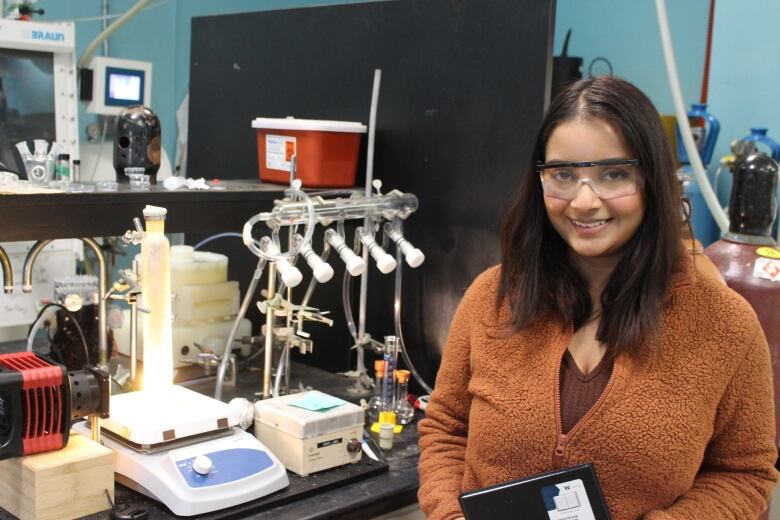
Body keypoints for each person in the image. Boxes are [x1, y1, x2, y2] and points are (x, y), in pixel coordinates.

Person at [417, 76, 778, 520]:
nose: (584, 201)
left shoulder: (725, 324)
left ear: (653, 181)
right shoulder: (493, 297)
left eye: (613, 174)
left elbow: (744, 473)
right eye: (564, 174)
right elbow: (447, 430)